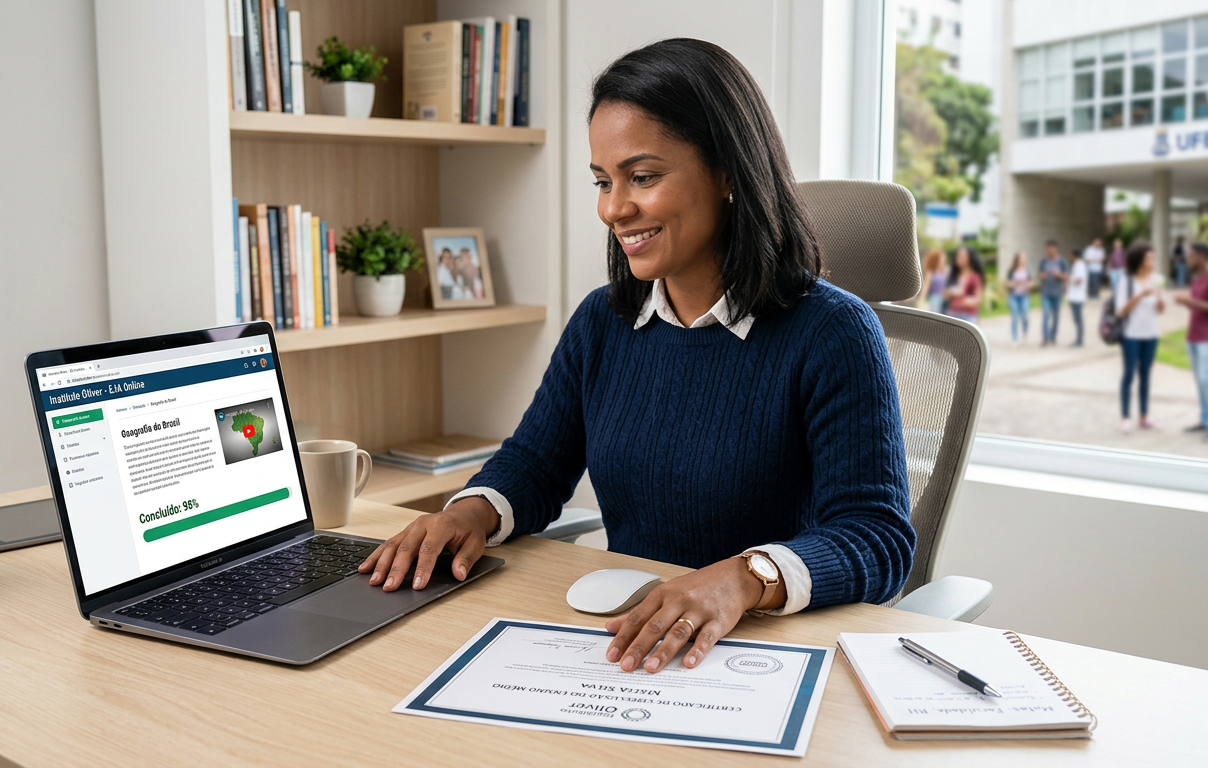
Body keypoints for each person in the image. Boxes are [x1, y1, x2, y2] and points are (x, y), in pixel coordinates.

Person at [358, 39, 913, 675]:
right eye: (603, 181)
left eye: (642, 178)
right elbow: (536, 463)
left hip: (763, 656)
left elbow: (877, 537)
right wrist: (468, 512)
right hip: (632, 648)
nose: (614, 209)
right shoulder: (603, 321)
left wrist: (741, 579)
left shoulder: (834, 332)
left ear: (729, 172)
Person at [1172, 242, 1208, 442]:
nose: (1189, 260)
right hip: (1193, 337)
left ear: (1202, 257)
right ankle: (1205, 420)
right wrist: (1186, 303)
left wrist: (1191, 302)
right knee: (1200, 382)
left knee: (1206, 381)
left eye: (1192, 256)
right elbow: (1198, 308)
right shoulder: (1196, 279)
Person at [1116, 240, 1166, 432]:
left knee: (1146, 375)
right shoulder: (1126, 281)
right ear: (1139, 260)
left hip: (1152, 334)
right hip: (1131, 335)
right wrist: (1140, 295)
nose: (1152, 261)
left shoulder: (1157, 279)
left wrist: (1159, 299)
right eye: (1148, 258)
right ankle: (1125, 416)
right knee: (1129, 374)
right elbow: (1121, 311)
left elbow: (1160, 310)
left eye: (1153, 258)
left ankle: (1144, 416)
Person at [943, 246, 984, 324]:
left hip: (967, 316)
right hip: (952, 314)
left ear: (970, 258)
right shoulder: (953, 275)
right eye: (957, 256)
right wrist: (950, 293)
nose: (958, 258)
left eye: (962, 256)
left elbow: (978, 298)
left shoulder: (974, 277)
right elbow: (945, 294)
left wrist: (968, 301)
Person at [1038, 240, 1067, 346]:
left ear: (1056, 249)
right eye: (1048, 249)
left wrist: (1057, 274)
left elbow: (1066, 277)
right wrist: (1043, 275)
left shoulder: (1062, 262)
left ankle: (1053, 337)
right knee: (1045, 314)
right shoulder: (1043, 262)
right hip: (1046, 292)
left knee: (1056, 316)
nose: (1049, 251)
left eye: (1051, 249)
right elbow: (1039, 274)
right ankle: (1045, 338)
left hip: (1057, 293)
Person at [1005, 251, 1031, 344]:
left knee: (1025, 317)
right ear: (1017, 259)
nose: (1024, 260)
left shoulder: (1026, 270)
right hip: (1014, 296)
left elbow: (1030, 282)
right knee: (1015, 318)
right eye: (1022, 258)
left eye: (1025, 258)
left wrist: (1027, 285)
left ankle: (1025, 333)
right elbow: (1006, 283)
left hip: (1024, 296)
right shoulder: (1011, 270)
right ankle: (1014, 338)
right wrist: (1015, 283)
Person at [1066, 247, 1088, 346]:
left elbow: (1079, 280)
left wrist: (1068, 279)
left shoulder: (1080, 265)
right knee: (1076, 318)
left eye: (1070, 255)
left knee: (1078, 319)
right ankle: (1078, 339)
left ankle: (1079, 340)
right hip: (1074, 296)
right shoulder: (1076, 265)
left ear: (1074, 256)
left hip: (1077, 297)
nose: (1069, 257)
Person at [920, 248, 949, 313]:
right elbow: (926, 286)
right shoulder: (931, 272)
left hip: (945, 298)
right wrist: (921, 299)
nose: (942, 261)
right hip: (935, 297)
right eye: (940, 259)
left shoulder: (947, 270)